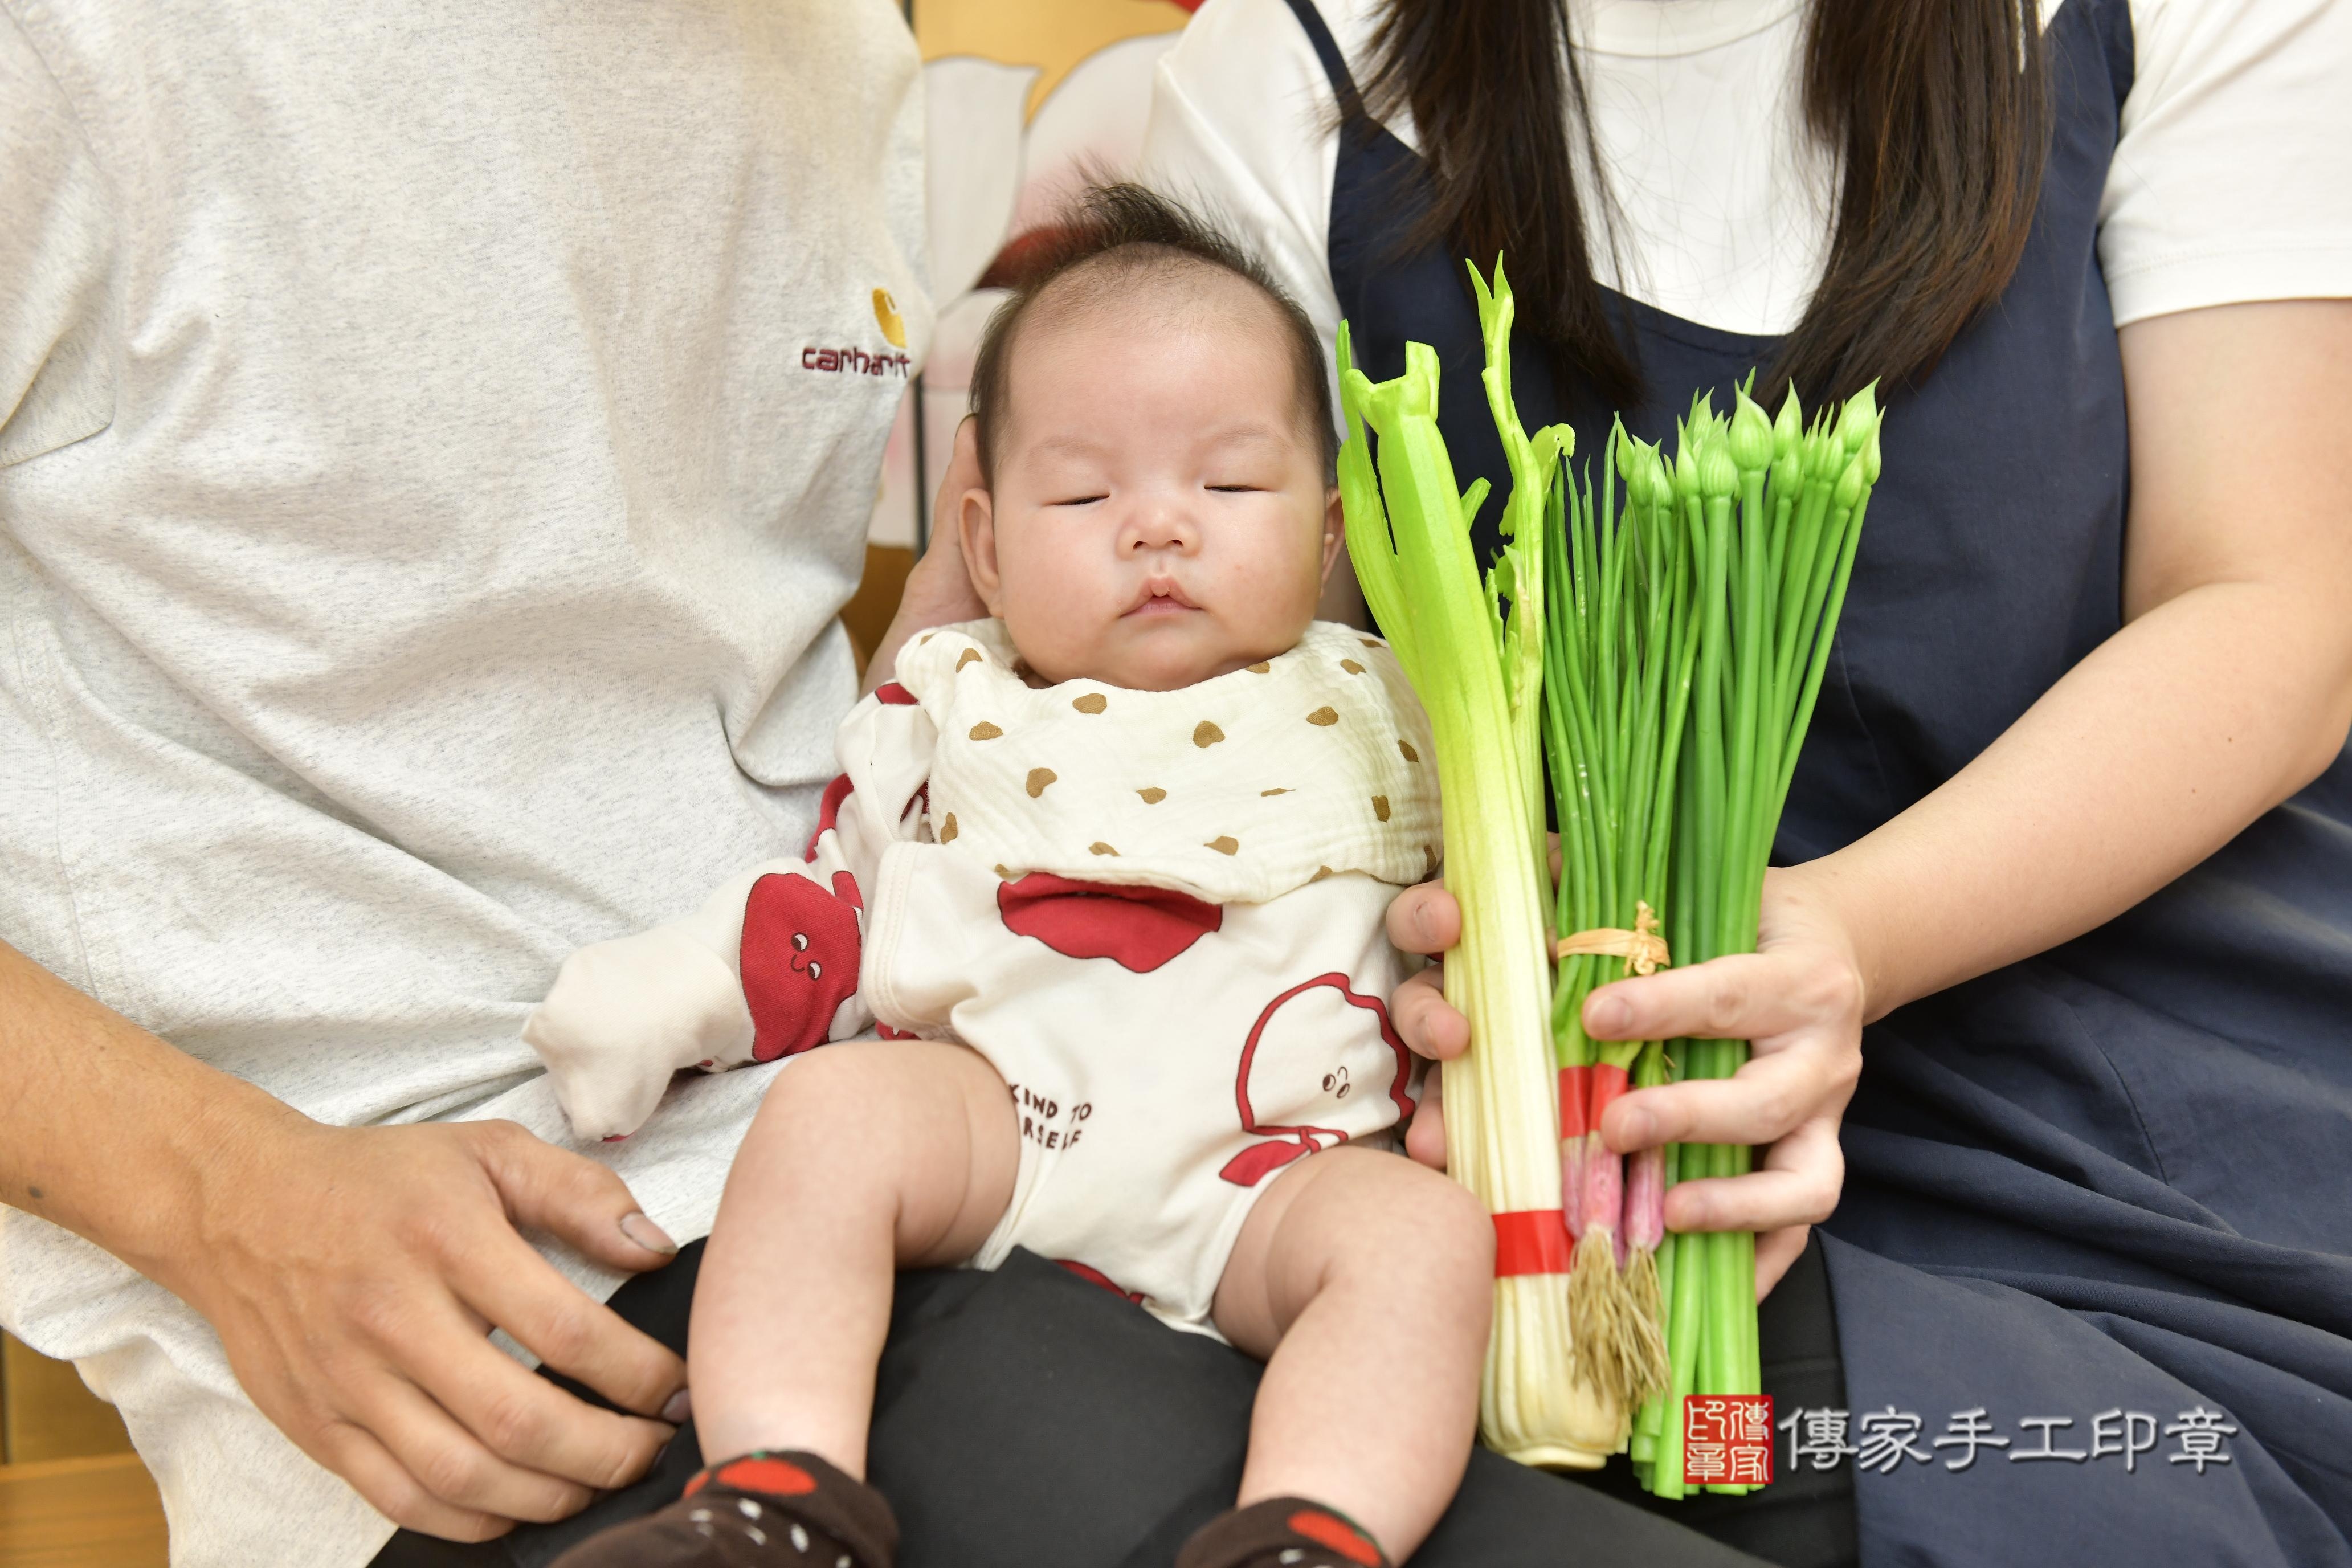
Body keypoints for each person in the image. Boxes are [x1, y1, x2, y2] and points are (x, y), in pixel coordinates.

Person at [1137, 0, 2352, 1563]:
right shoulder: (1284, 64)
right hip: (1591, 1137)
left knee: (2093, 1501)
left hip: (2123, 1083)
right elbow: (1243, 694)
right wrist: (1448, 967)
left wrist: (1840, 941)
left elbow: (2276, 609)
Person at [522, 187, 1491, 1568]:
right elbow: (834, 905)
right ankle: (772, 1494)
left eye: (1227, 484)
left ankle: (1312, 1534)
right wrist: (665, 998)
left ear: (1330, 531)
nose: (1158, 528)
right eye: (1086, 492)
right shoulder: (954, 701)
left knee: (1419, 1244)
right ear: (981, 545)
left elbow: (1489, 907)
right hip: (996, 1121)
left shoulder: (1392, 710)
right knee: (832, 1115)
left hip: (1272, 1179)